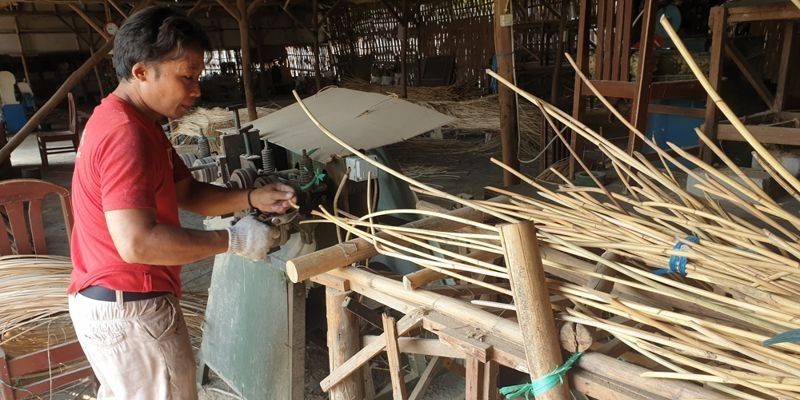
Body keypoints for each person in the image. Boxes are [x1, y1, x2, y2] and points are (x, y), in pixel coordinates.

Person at [67, 6, 296, 399]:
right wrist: (234, 241)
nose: (196, 90)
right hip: (132, 310)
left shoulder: (132, 122)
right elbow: (137, 243)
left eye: (197, 77)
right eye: (186, 77)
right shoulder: (127, 135)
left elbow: (186, 192)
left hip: (109, 302)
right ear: (141, 71)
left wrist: (250, 197)